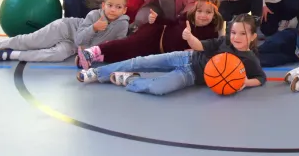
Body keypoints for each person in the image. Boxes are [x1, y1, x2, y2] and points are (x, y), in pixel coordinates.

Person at [77, 14, 266, 97]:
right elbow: (200, 46)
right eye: (234, 32)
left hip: (191, 76)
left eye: (242, 34)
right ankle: (97, 73)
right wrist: (189, 37)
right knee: (140, 62)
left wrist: (242, 82)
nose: (236, 37)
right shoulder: (224, 41)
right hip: (186, 58)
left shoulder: (249, 59)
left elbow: (260, 77)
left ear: (253, 37)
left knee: (159, 88)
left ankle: (129, 81)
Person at [0, 0, 129, 63]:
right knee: (30, 41)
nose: (113, 10)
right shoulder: (93, 16)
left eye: (118, 7)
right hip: (66, 29)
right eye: (110, 5)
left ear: (124, 10)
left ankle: (11, 55)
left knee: (57, 55)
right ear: (103, 6)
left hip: (74, 46)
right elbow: (79, 38)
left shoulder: (122, 25)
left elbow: (117, 45)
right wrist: (94, 28)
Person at [76, 0, 223, 69]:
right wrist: (157, 19)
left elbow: (206, 50)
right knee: (129, 44)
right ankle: (92, 52)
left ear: (215, 15)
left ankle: (97, 58)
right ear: (195, 10)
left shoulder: (212, 32)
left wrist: (192, 50)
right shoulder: (187, 17)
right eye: (200, 11)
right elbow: (171, 22)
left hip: (157, 50)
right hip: (155, 33)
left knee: (129, 56)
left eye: (208, 13)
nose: (203, 16)